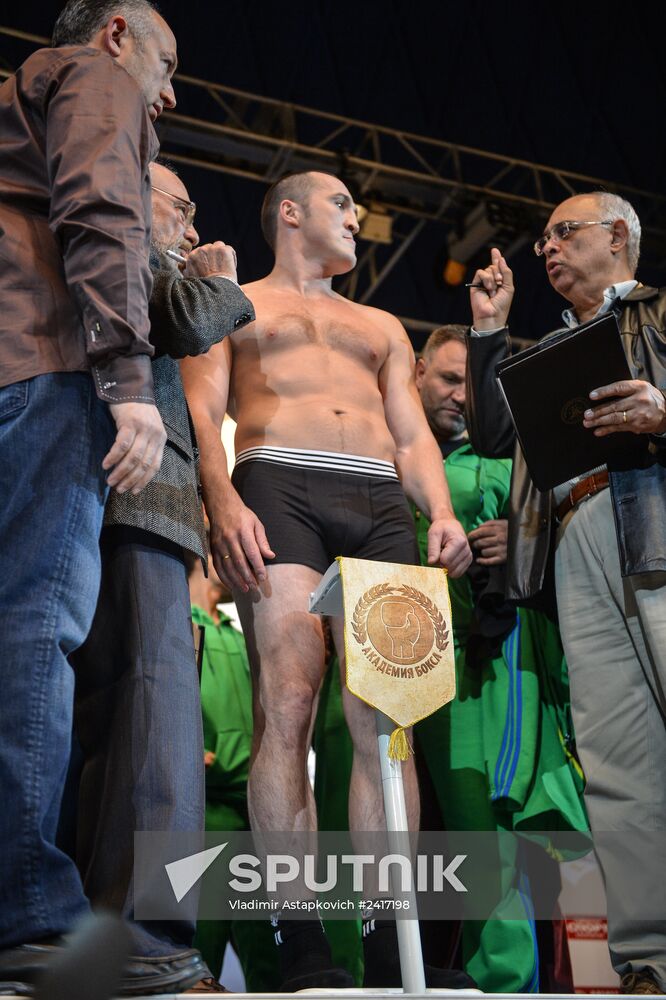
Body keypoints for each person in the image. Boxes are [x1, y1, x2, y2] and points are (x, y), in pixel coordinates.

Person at [181, 169, 473, 991]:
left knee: (390, 721)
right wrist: (222, 496)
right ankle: (299, 936)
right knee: (290, 702)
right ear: (291, 212)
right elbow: (204, 410)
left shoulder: (381, 322)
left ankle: (394, 940)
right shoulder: (236, 303)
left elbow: (412, 435)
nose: (356, 218)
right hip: (277, 479)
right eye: (343, 205)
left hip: (380, 499)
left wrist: (442, 512)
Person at [0, 1, 177, 993]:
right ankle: (32, 916)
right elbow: (106, 209)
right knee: (34, 631)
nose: (172, 89)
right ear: (119, 32)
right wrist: (128, 384)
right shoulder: (95, 75)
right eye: (168, 62)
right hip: (49, 367)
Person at [466, 191, 666, 995]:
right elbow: (492, 436)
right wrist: (488, 332)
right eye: (541, 237)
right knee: (620, 762)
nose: (545, 248)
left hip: (654, 515)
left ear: (617, 237)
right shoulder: (548, 346)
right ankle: (651, 956)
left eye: (563, 233)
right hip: (580, 541)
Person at [69, 161, 255, 994]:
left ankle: (90, 938)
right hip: (144, 503)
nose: (190, 226)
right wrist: (221, 283)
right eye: (182, 208)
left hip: (101, 502)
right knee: (156, 724)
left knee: (97, 732)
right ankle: (149, 946)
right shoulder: (128, 243)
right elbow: (183, 317)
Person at [413, 326, 586, 992]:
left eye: (473, 383)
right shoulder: (401, 458)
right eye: (449, 380)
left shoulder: (514, 458)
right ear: (417, 371)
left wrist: (520, 537)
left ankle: (507, 983)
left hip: (506, 663)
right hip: (417, 660)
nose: (462, 396)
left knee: (491, 838)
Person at [187, 548, 281, 993]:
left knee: (268, 947)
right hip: (204, 812)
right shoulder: (180, 622)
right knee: (195, 942)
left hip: (251, 810)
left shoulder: (231, 629)